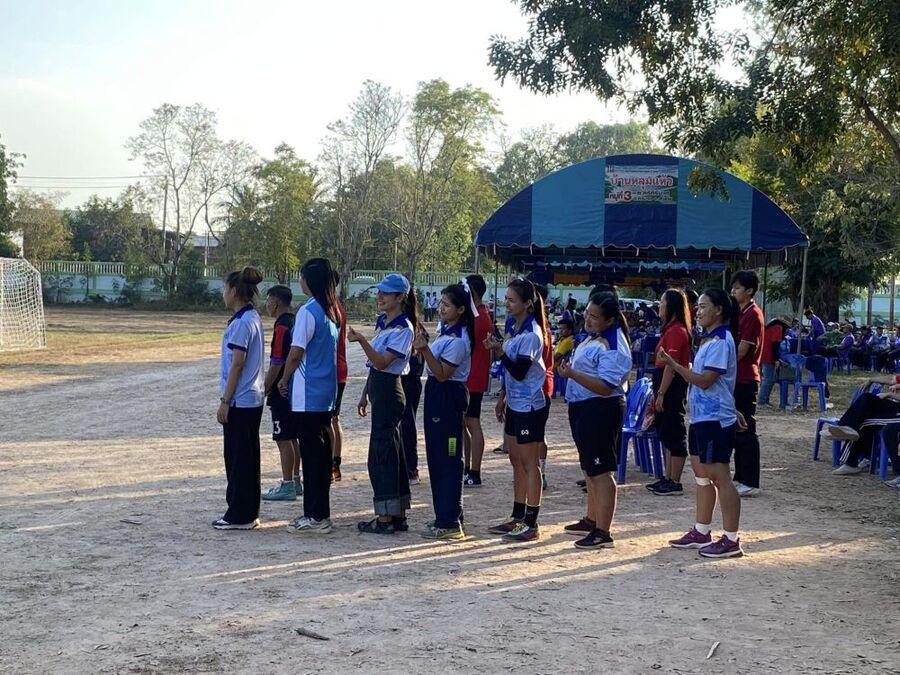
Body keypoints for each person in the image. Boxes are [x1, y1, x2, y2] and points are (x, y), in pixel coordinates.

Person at [661, 288, 746, 558]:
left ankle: (731, 539)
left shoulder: (721, 341)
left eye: (703, 306)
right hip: (702, 417)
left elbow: (706, 381)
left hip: (714, 420)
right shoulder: (710, 339)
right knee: (701, 476)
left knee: (720, 476)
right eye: (697, 307)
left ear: (719, 310)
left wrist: (675, 365)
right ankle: (701, 530)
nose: (698, 312)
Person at [557, 293, 632, 549]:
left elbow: (605, 386)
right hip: (583, 406)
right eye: (587, 313)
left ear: (610, 320)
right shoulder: (594, 336)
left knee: (601, 471)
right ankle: (592, 518)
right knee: (589, 468)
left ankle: (603, 531)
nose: (587, 319)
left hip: (601, 408)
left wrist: (573, 374)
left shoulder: (613, 344)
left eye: (594, 316)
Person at [351, 273, 416, 534]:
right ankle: (397, 514)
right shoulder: (387, 323)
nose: (380, 297)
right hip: (380, 388)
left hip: (389, 390)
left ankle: (386, 518)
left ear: (400, 298)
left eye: (386, 293)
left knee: (382, 455)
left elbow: (381, 362)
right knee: (391, 451)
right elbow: (375, 367)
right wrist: (365, 392)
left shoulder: (403, 328)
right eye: (379, 292)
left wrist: (362, 340)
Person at [485, 279, 550, 543]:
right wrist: (503, 396)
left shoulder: (533, 333)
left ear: (527, 303)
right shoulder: (514, 326)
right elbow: (510, 372)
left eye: (512, 300)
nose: (507, 304)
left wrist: (499, 351)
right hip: (515, 402)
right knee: (515, 459)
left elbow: (521, 371)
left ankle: (532, 522)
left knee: (529, 462)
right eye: (506, 299)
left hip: (530, 405)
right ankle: (518, 515)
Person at [279, 258, 340, 534]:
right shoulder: (331, 311)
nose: (299, 280)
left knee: (312, 457)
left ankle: (315, 516)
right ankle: (319, 513)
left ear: (309, 280)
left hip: (308, 394)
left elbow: (295, 353)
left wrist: (284, 379)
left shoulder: (308, 311)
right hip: (325, 392)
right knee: (321, 456)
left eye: (301, 276)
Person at [414, 283, 474, 540]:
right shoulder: (446, 332)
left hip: (448, 396)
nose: (441, 308)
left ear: (461, 309)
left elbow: (441, 373)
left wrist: (424, 349)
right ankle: (448, 514)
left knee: (448, 456)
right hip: (438, 395)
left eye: (447, 305)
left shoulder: (459, 340)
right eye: (441, 303)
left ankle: (449, 520)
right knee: (437, 457)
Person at [213, 266, 266, 530]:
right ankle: (248, 511)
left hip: (240, 400)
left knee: (237, 459)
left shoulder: (242, 323)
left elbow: (237, 363)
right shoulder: (252, 317)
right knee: (247, 456)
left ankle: (239, 514)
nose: (223, 293)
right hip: (251, 398)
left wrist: (226, 400)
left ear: (234, 291)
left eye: (225, 288)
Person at [645, 289, 692, 496]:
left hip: (672, 385)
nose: (660, 305)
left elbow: (670, 367)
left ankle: (675, 481)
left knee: (674, 430)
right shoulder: (669, 329)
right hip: (663, 382)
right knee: (665, 430)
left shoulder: (677, 331)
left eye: (663, 302)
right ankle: (668, 477)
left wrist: (662, 393)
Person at [261, 285, 302, 501]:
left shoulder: (281, 327)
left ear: (276, 302)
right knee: (293, 436)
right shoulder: (294, 321)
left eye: (268, 300)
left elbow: (277, 362)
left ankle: (287, 485)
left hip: (281, 389)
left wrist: (265, 388)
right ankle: (295, 480)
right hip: (294, 388)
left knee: (283, 438)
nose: (266, 305)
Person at [822, 374, 900, 475]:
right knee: (866, 398)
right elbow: (892, 379)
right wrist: (871, 379)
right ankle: (844, 428)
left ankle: (851, 462)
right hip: (895, 406)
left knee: (864, 423)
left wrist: (889, 395)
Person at [730, 271, 764, 497]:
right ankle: (740, 476)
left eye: (737, 288)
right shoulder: (739, 312)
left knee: (746, 428)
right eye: (732, 288)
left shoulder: (753, 314)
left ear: (749, 291)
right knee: (736, 429)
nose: (733, 292)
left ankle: (750, 480)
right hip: (735, 377)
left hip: (745, 378)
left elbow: (742, 350)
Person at [463, 274, 493, 488]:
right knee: (465, 423)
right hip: (471, 376)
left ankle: (475, 470)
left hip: (473, 377)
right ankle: (467, 467)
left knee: (473, 423)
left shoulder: (479, 316)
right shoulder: (478, 314)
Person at [401, 327, 426, 484]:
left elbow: (416, 361)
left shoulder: (413, 329)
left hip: (409, 382)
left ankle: (411, 469)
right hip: (397, 381)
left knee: (407, 425)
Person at [329, 271, 348, 483]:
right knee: (334, 419)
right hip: (338, 370)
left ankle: (332, 465)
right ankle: (334, 465)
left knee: (330, 420)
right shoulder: (336, 306)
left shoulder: (331, 308)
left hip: (333, 372)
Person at [758, 316, 789, 407]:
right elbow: (775, 345)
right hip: (768, 356)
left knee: (771, 379)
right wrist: (776, 359)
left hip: (765, 355)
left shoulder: (772, 327)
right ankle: (762, 401)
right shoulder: (778, 328)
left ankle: (765, 399)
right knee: (768, 379)